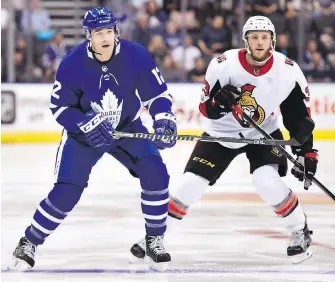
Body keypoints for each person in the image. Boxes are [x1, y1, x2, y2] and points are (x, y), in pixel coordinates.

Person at [129, 16, 318, 265]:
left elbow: (299, 117)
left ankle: (299, 230)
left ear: (272, 40)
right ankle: (155, 237)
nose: (259, 42)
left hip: (264, 132)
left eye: (264, 37)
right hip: (221, 133)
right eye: (254, 37)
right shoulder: (223, 65)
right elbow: (205, 109)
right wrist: (219, 104)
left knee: (266, 181)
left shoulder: (288, 70)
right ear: (245, 41)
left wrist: (307, 151)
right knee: (190, 184)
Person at [10, 7, 177, 272]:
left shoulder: (136, 56)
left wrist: (164, 118)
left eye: (109, 31)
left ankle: (153, 240)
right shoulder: (72, 63)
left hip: (125, 128)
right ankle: (28, 241)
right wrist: (85, 123)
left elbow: (156, 94)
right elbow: (61, 107)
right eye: (99, 32)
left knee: (156, 173)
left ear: (116, 32)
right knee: (67, 192)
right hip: (83, 136)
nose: (105, 37)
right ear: (89, 35)